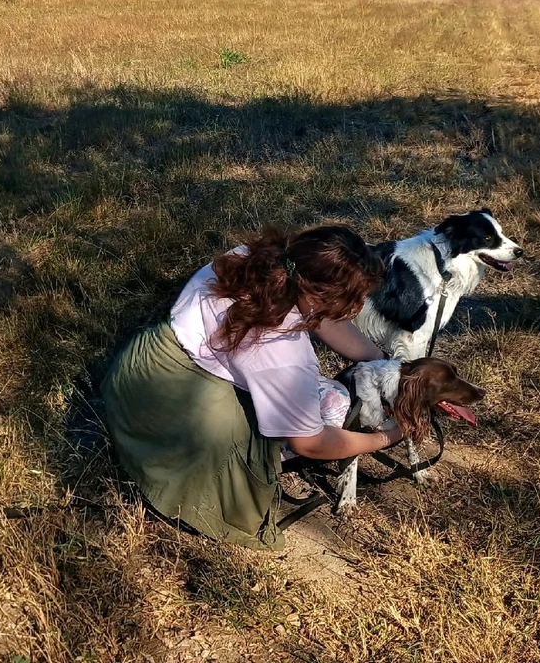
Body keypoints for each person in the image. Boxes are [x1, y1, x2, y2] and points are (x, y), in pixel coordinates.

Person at [100, 225, 402, 550]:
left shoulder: (256, 260)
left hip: (136, 373)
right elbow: (311, 443)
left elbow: (320, 317)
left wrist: (379, 359)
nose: (358, 306)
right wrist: (385, 437)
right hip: (176, 415)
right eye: (354, 300)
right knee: (335, 400)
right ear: (316, 297)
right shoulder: (284, 352)